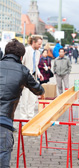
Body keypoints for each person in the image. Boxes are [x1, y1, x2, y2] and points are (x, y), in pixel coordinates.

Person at [0, 39, 44, 167]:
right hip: (4, 122)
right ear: (20, 57)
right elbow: (38, 90)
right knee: (2, 159)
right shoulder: (22, 70)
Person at [20, 36, 44, 121]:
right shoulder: (26, 51)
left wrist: (39, 73)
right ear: (33, 42)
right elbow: (21, 64)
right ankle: (23, 118)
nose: (40, 46)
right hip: (25, 78)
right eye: (39, 44)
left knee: (33, 98)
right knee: (24, 100)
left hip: (34, 78)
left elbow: (35, 65)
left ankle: (30, 117)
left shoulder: (37, 53)